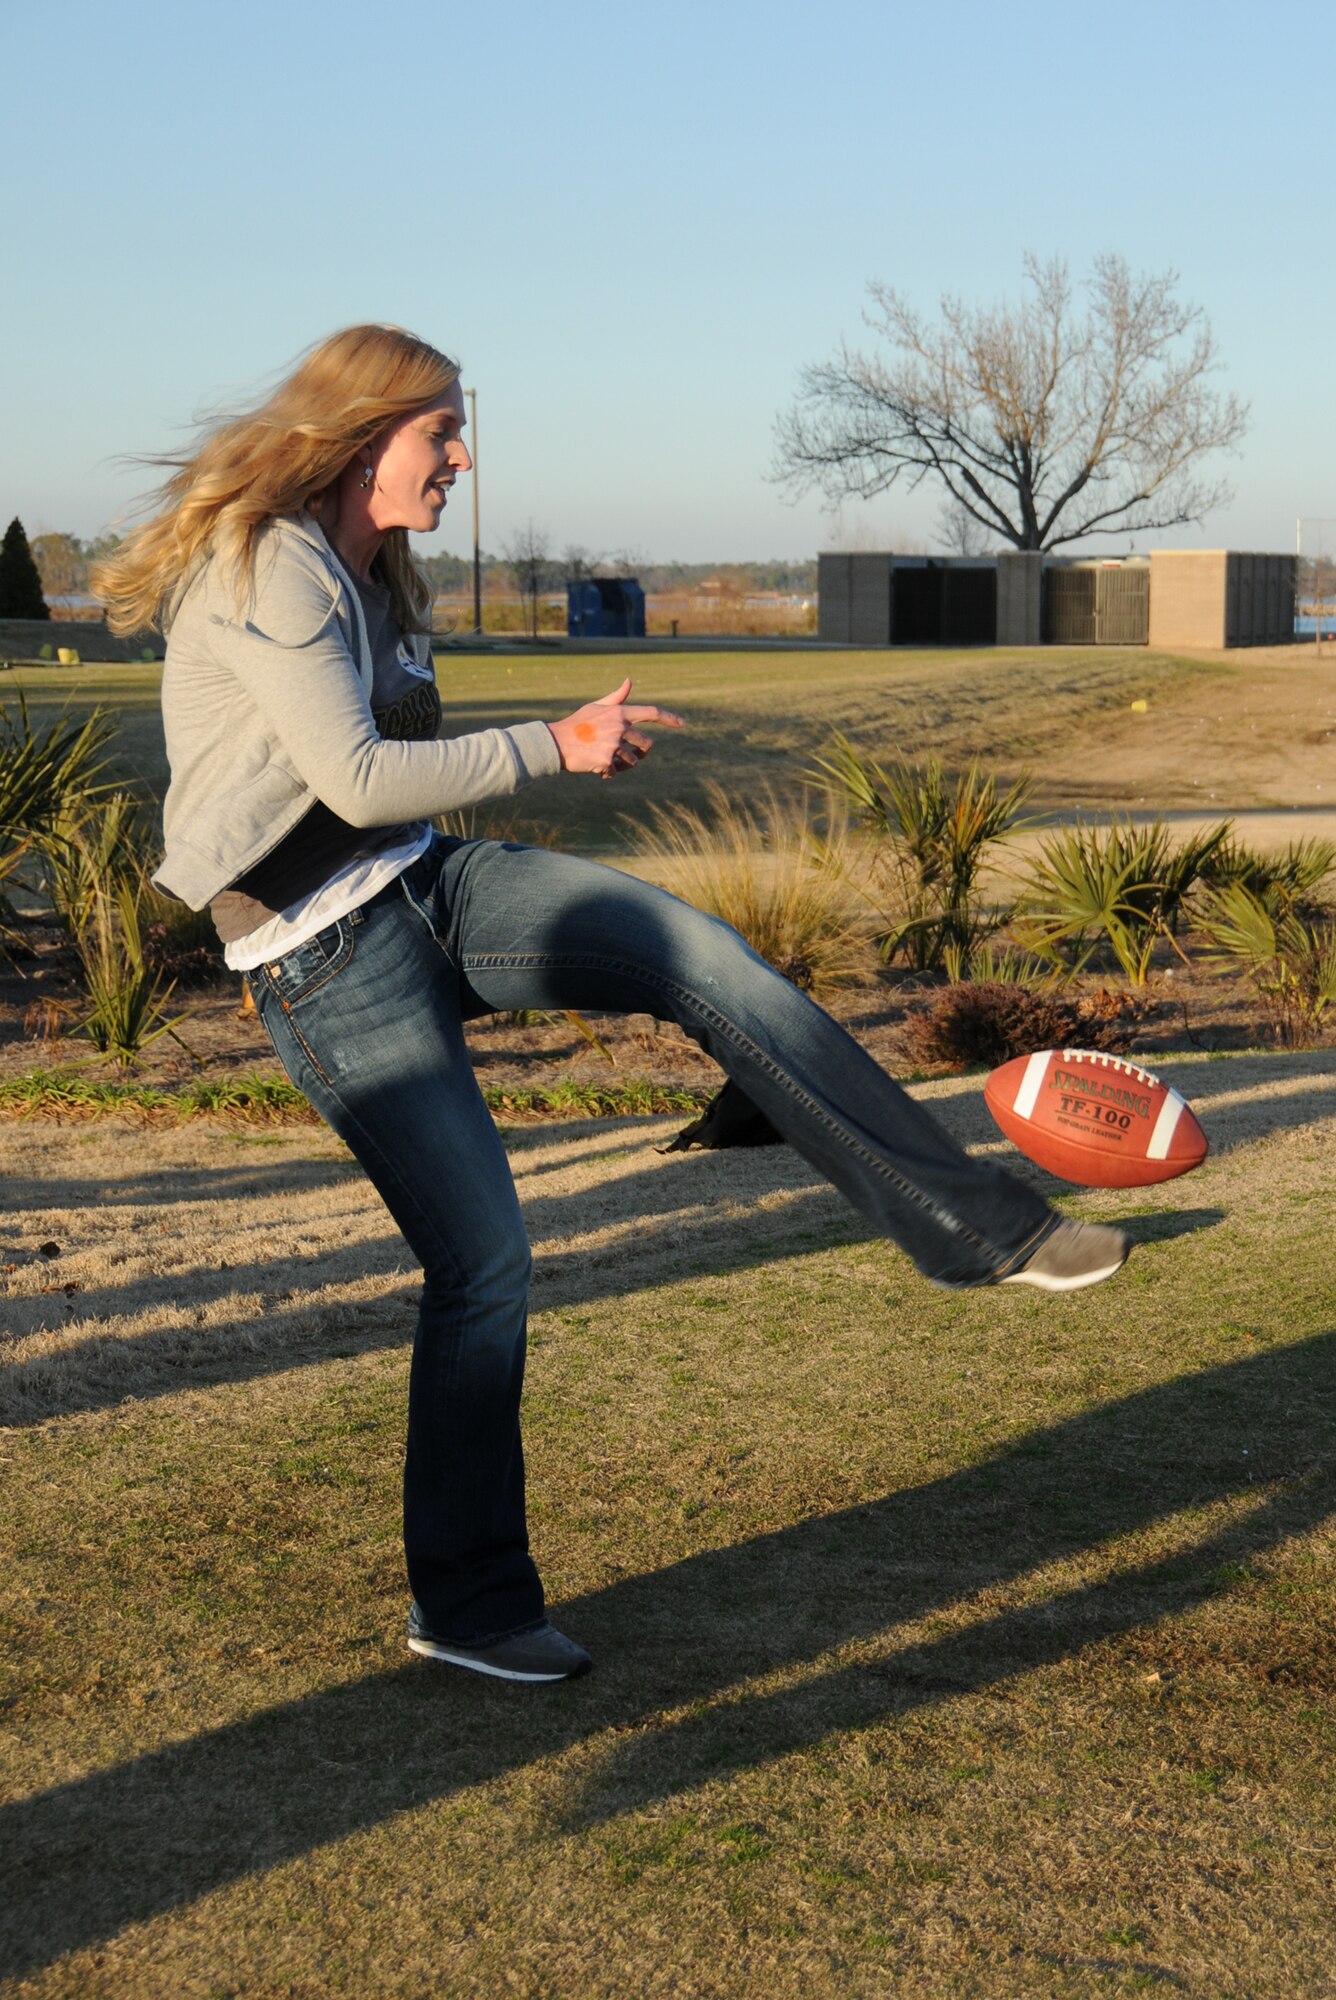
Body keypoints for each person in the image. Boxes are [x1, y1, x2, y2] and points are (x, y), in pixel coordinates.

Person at [95, 325, 1130, 1686]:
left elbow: (389, 785)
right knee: (486, 1262)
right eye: (439, 434)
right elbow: (351, 777)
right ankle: (465, 1606)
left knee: (704, 959)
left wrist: (498, 732)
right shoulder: (271, 562)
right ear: (360, 437)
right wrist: (555, 745)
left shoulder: (369, 570)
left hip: (426, 886)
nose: (461, 457)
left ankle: (973, 1231)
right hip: (319, 952)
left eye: (461, 431)